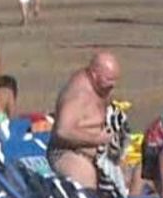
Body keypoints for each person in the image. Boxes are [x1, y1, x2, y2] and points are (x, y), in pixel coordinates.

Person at [48, 52, 120, 189]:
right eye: (108, 81)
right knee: (86, 179)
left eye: (114, 81)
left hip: (99, 153)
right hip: (67, 152)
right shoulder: (79, 94)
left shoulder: (101, 87)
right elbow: (63, 131)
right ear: (94, 75)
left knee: (120, 179)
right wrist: (97, 139)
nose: (112, 86)